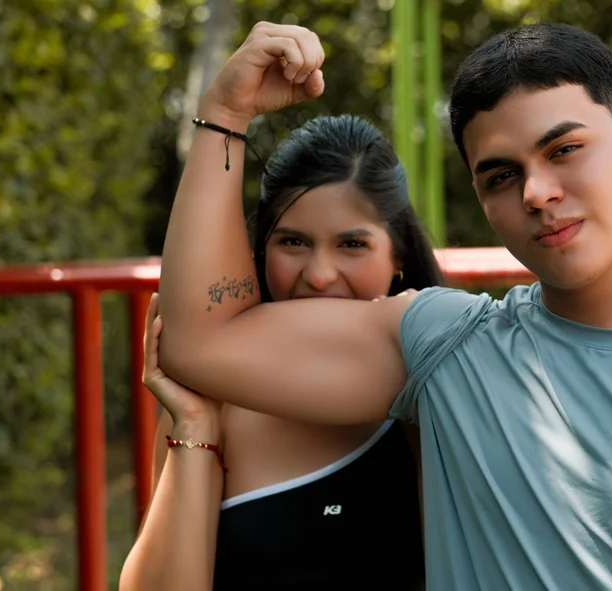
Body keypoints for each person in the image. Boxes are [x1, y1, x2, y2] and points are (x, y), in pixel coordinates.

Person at [155, 20, 612, 590]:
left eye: (564, 149)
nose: (537, 192)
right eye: (501, 175)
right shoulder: (449, 349)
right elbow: (199, 341)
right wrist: (226, 114)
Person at [119, 114, 442, 590]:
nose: (319, 275)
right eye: (293, 242)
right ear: (261, 249)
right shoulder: (216, 395)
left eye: (352, 244)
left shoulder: (436, 380)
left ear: (398, 257)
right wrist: (194, 423)